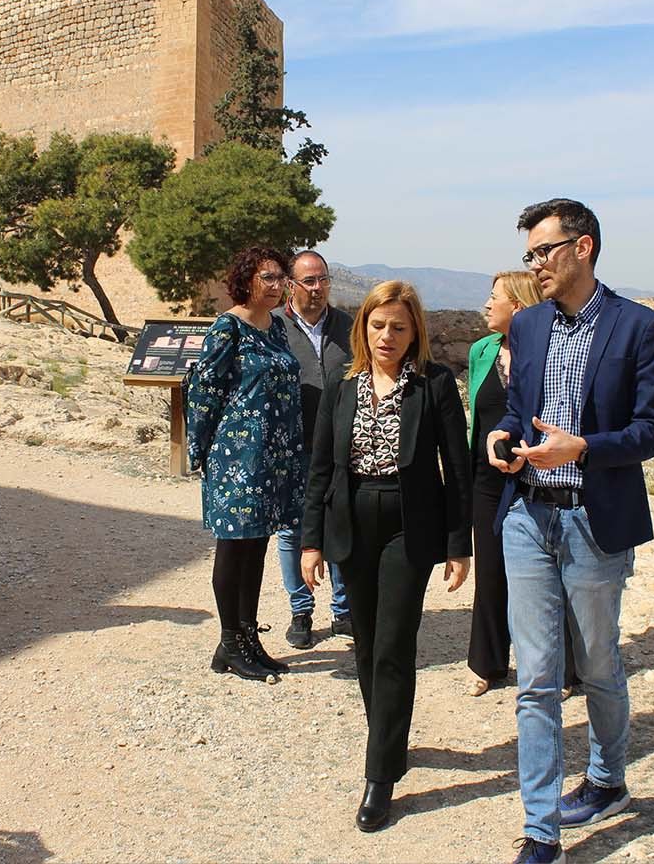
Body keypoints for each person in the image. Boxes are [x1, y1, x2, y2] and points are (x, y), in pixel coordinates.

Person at [486, 200, 654, 864]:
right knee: (535, 678)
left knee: (596, 665)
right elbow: (517, 410)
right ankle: (541, 832)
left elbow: (650, 432)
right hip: (527, 518)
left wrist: (583, 448)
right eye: (529, 254)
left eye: (543, 251)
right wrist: (502, 435)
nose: (534, 264)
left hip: (594, 520)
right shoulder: (528, 324)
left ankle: (606, 779)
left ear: (582, 247)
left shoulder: (639, 326)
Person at [301, 280, 472, 833]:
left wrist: (459, 543)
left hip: (408, 525)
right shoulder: (341, 382)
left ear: (414, 330)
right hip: (351, 522)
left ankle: (380, 775)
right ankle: (389, 740)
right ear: (363, 327)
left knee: (394, 645)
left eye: (399, 327)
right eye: (378, 326)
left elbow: (457, 469)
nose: (387, 337)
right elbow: (320, 467)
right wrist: (310, 540)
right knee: (367, 644)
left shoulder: (434, 384)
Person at [186, 246, 306, 682]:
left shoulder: (277, 328)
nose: (277, 286)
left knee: (256, 547)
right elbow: (205, 392)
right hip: (237, 458)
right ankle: (231, 641)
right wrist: (198, 451)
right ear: (246, 280)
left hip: (273, 458)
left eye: (281, 278)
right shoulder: (227, 328)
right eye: (267, 277)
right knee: (233, 548)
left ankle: (246, 639)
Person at [466, 271, 582, 699]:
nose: (486, 304)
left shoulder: (549, 350)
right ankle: (488, 663)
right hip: (487, 478)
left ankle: (564, 670)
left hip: (537, 475)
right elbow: (477, 416)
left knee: (550, 576)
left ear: (517, 305)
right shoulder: (481, 351)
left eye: (494, 297)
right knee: (490, 572)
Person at [279, 249, 353, 649]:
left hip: (342, 446)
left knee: (340, 522)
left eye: (323, 279)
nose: (318, 288)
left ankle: (343, 610)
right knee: (293, 529)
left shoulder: (348, 326)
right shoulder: (274, 328)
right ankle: (301, 610)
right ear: (291, 285)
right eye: (309, 281)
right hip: (294, 446)